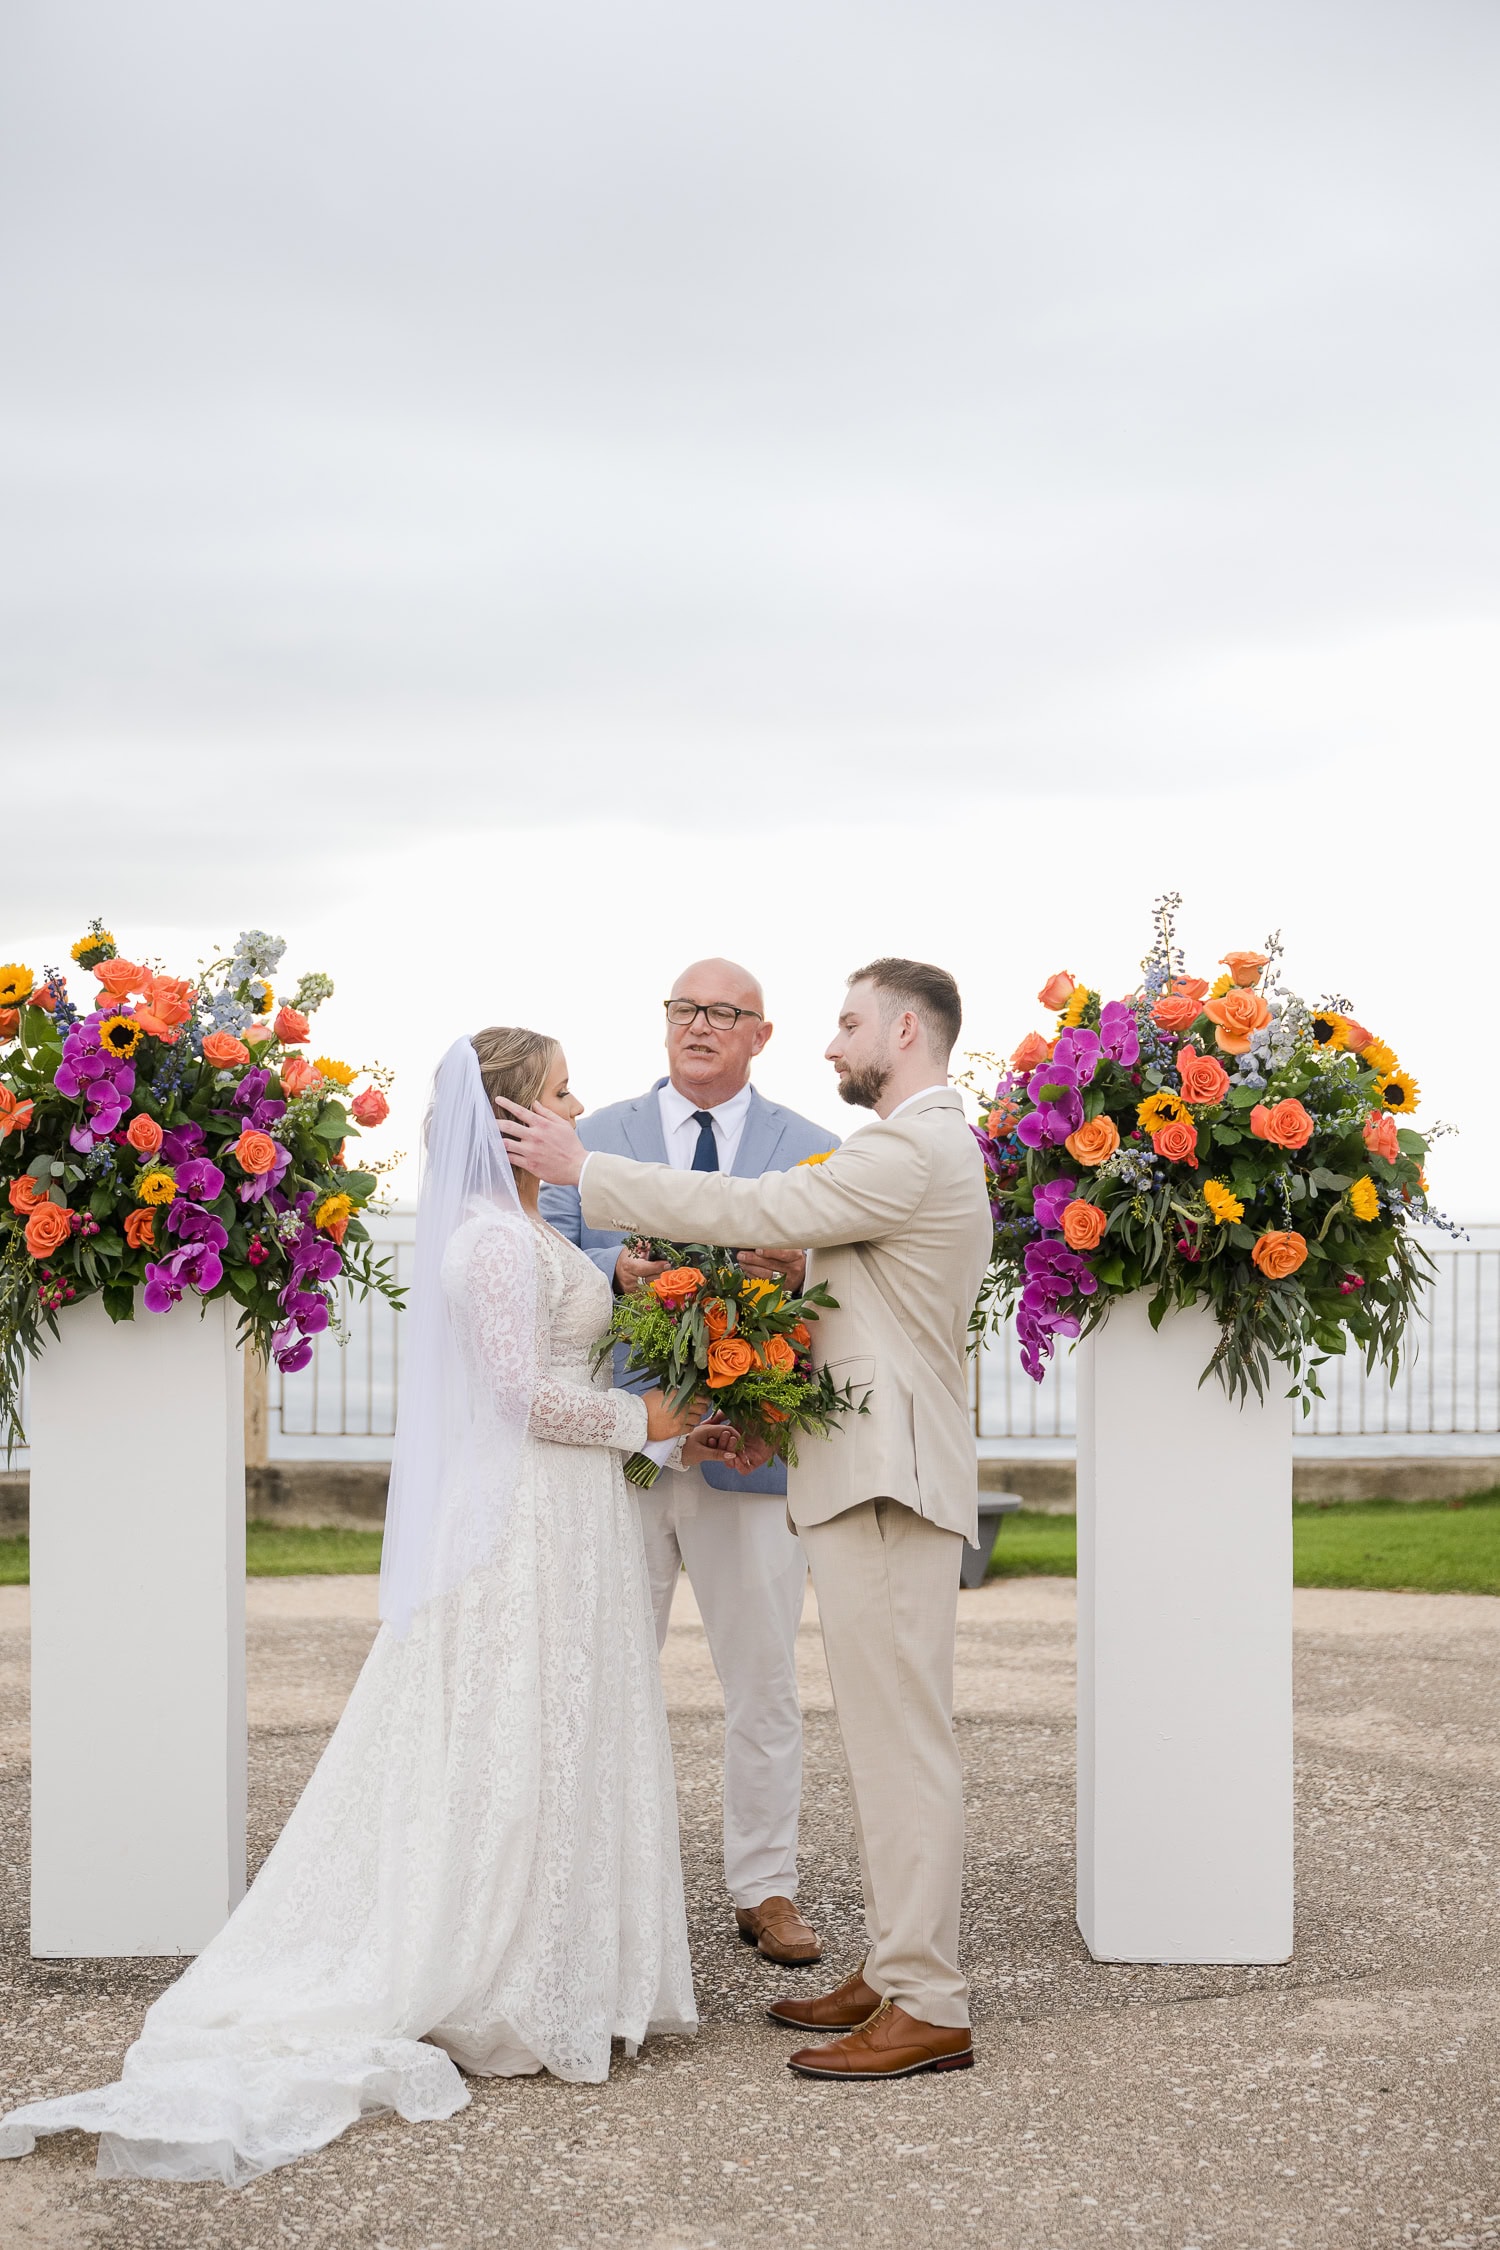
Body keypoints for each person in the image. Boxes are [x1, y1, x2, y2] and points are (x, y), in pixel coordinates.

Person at [0, 1029, 713, 2185]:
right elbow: (525, 1400)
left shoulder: (535, 1229)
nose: (580, 1103)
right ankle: (496, 1976)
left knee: (561, 1735)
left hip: (576, 1517)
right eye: (561, 1089)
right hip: (525, 1524)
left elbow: (565, 1369)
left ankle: (565, 1964)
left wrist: (663, 1410)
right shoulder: (487, 1243)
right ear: (511, 1116)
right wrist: (652, 1427)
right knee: (509, 1735)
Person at [498, 959, 993, 2083]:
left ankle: (930, 2001)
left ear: (907, 1031)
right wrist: (799, 1261)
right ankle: (897, 1965)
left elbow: (755, 1203)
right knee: (883, 1738)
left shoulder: (908, 1144)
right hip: (873, 1473)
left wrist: (590, 1172)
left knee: (904, 1742)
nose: (834, 1044)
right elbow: (847, 1272)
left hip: (886, 1480)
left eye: (851, 1022)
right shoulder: (923, 1151)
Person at [541, 957, 838, 1969]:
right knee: (607, 1668)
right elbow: (547, 1251)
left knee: (763, 1679)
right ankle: (606, 1877)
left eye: (723, 1013)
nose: (698, 1025)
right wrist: (610, 1269)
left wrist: (801, 1269)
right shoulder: (595, 1137)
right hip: (627, 1448)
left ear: (761, 1033)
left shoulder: (815, 1150)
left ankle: (768, 1887)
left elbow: (843, 1288)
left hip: (750, 1455)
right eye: (684, 1009)